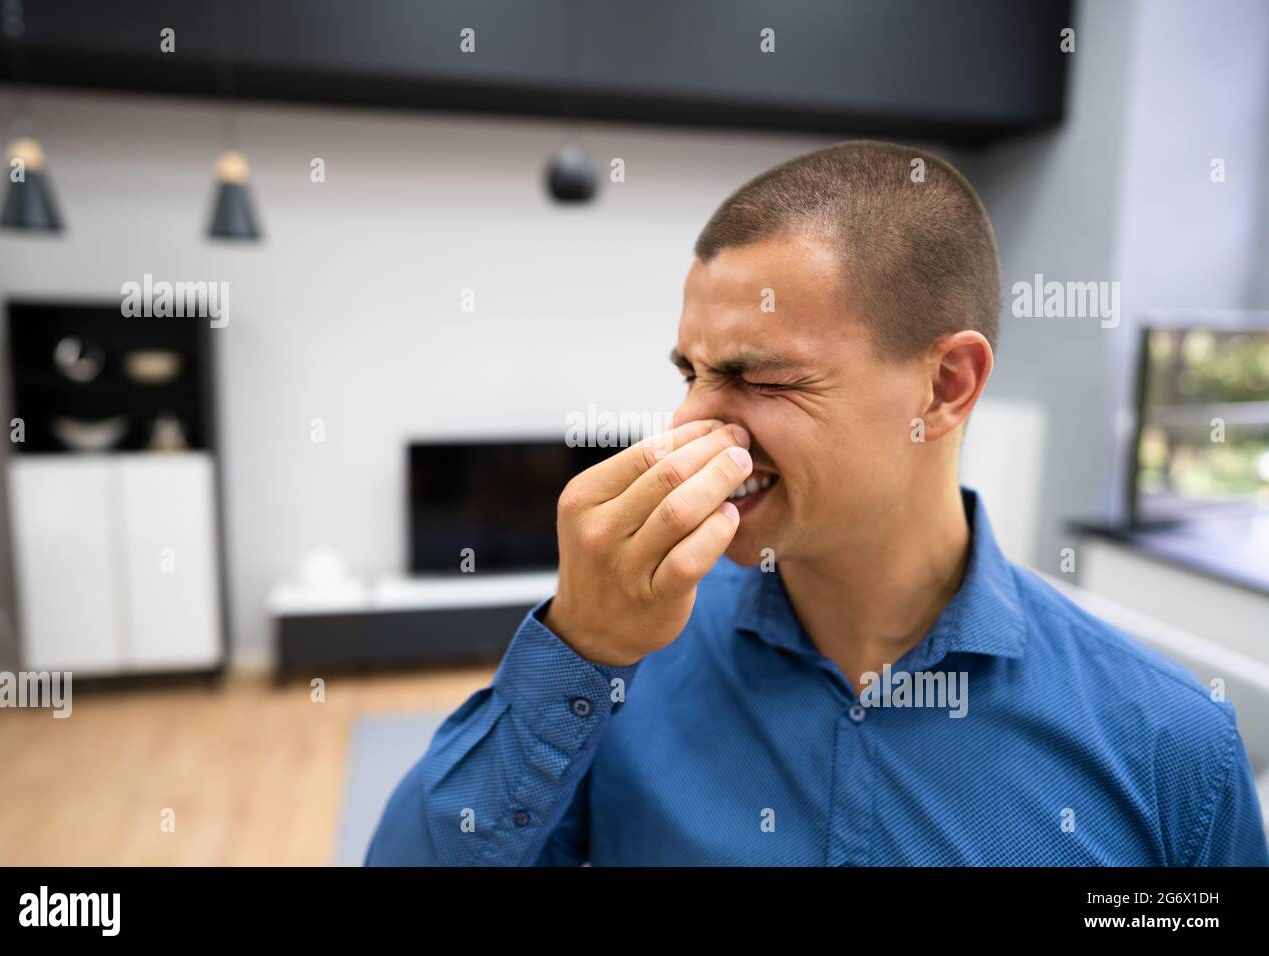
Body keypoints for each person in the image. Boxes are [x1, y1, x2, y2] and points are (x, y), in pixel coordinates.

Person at [366, 141, 1269, 866]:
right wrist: (577, 644)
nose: (690, 424)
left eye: (757, 376)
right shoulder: (617, 671)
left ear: (946, 386)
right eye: (688, 373)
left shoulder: (1168, 750)